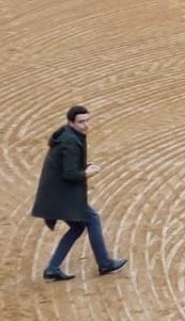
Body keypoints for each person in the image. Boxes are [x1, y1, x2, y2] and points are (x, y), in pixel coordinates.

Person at [31, 104, 128, 281]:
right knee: (92, 219)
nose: (86, 125)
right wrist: (86, 173)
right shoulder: (70, 141)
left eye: (87, 120)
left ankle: (53, 268)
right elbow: (69, 173)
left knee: (78, 227)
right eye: (81, 122)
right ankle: (105, 263)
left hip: (56, 194)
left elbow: (68, 166)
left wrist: (83, 167)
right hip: (61, 196)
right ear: (71, 122)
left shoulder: (68, 135)